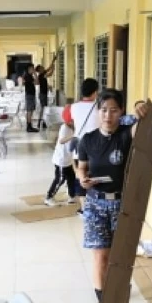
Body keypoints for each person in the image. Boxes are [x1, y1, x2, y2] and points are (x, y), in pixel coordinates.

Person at [75, 88, 142, 303]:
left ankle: (119, 292)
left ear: (121, 112)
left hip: (122, 205)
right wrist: (82, 178)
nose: (108, 116)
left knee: (120, 257)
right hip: (95, 203)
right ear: (98, 111)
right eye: (103, 110)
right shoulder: (88, 139)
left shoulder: (125, 135)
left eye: (114, 110)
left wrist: (140, 105)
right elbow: (81, 167)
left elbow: (142, 123)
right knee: (100, 256)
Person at [65, 78, 101, 216]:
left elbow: (68, 120)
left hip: (79, 146)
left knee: (80, 176)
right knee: (95, 175)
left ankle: (84, 207)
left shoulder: (72, 107)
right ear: (95, 92)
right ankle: (95, 206)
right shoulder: (100, 106)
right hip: (96, 147)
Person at [44, 102, 78, 207]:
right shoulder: (64, 128)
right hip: (61, 161)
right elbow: (62, 140)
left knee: (72, 178)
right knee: (60, 179)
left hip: (67, 160)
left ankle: (72, 196)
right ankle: (49, 197)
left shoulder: (72, 128)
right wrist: (73, 137)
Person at [37, 55, 57, 129]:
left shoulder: (42, 75)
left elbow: (49, 72)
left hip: (43, 94)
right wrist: (53, 61)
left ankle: (42, 122)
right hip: (43, 94)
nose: (43, 68)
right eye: (42, 68)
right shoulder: (41, 75)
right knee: (43, 108)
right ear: (39, 70)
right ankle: (40, 122)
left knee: (44, 108)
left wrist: (53, 66)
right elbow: (49, 70)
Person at [22, 65, 37, 132]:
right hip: (29, 95)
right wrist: (35, 74)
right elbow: (37, 82)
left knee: (30, 110)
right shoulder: (28, 76)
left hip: (31, 94)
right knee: (29, 110)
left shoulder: (29, 76)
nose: (34, 70)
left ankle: (29, 125)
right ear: (29, 69)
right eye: (33, 69)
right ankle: (29, 126)